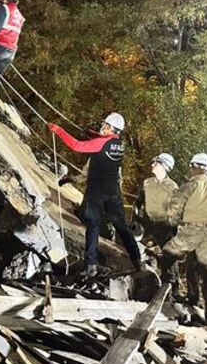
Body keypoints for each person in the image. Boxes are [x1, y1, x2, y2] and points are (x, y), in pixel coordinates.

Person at [47, 113, 140, 277]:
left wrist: (59, 130)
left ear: (110, 127)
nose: (101, 127)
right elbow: (104, 142)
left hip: (96, 190)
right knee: (121, 225)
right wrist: (92, 135)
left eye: (104, 125)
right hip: (113, 190)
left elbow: (77, 146)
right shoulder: (119, 143)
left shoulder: (100, 143)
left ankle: (90, 265)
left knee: (93, 225)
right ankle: (136, 258)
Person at [161, 153, 207, 322]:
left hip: (191, 231)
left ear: (194, 166)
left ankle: (170, 295)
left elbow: (174, 209)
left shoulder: (189, 186)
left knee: (168, 255)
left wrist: (173, 224)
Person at [133, 153, 179, 248]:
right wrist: (135, 221)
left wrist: (173, 233)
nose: (152, 165)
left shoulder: (173, 187)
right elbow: (138, 203)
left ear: (164, 166)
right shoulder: (146, 183)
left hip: (163, 231)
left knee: (160, 259)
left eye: (156, 163)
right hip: (145, 227)